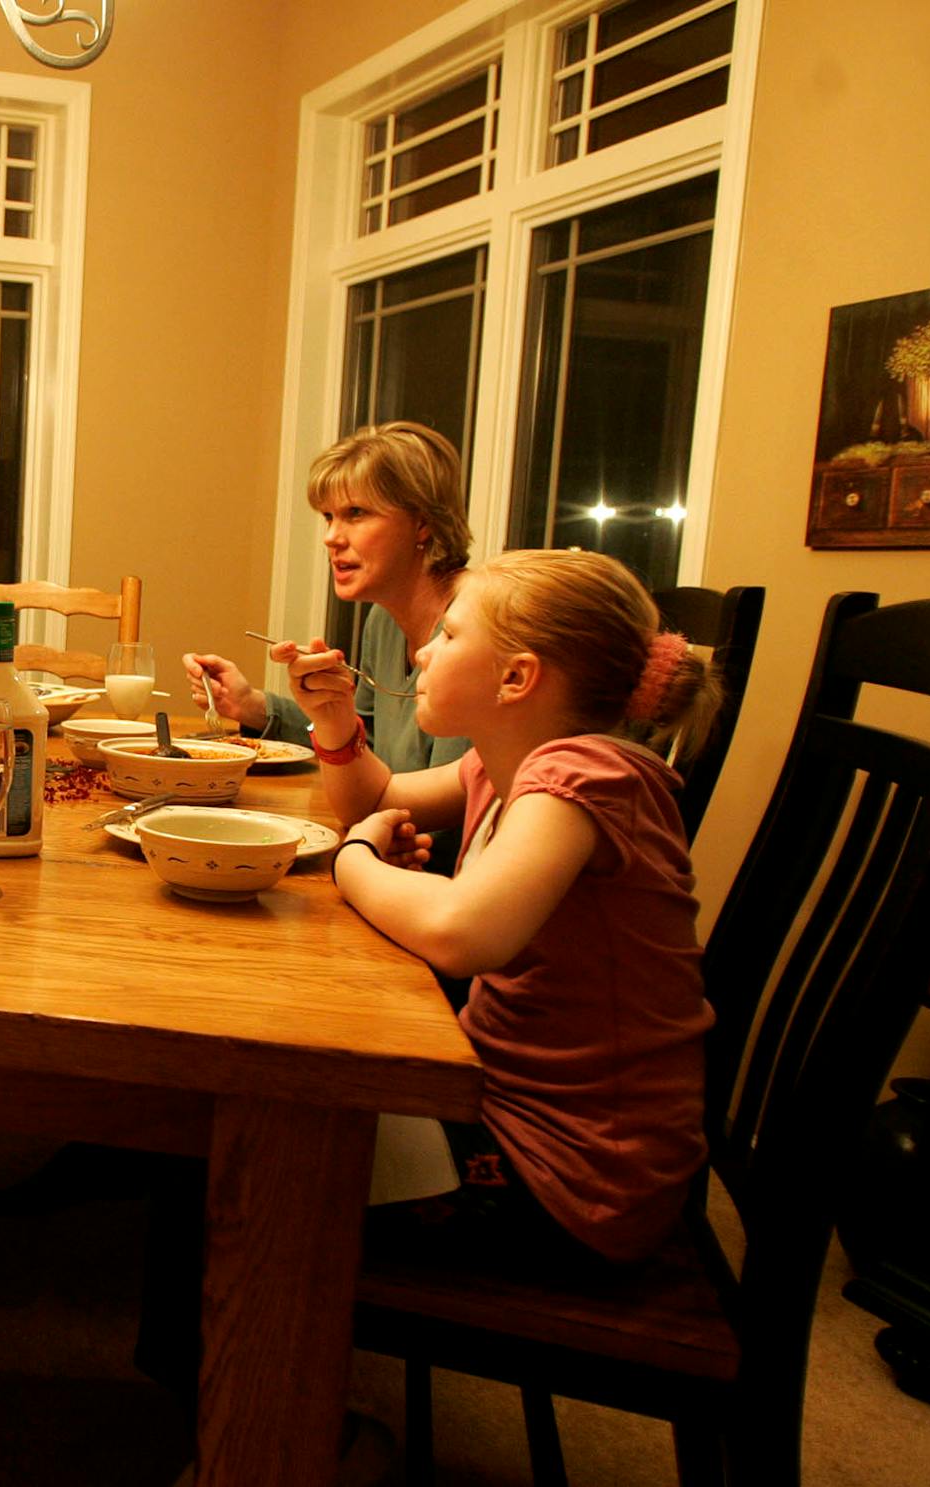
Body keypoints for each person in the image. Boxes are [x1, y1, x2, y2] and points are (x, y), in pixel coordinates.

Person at [134, 548, 722, 1402]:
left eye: (448, 635)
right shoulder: (502, 761)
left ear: (517, 676)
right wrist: (335, 725)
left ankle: (271, 1437)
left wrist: (359, 864)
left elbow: (458, 932)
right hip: (512, 1109)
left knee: (224, 1165)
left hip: (573, 1179)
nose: (422, 652)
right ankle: (214, 1401)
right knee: (221, 1125)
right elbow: (375, 794)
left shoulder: (583, 775)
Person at [183, 421, 473, 866]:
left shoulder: (476, 625)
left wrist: (368, 829)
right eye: (328, 516)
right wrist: (253, 705)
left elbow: (441, 813)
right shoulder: (384, 619)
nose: (332, 537)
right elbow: (362, 740)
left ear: (423, 523)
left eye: (357, 513)